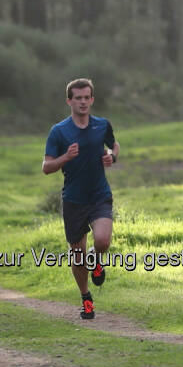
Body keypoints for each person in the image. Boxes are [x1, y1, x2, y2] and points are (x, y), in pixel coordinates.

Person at [42, 78, 119, 320]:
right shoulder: (59, 131)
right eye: (78, 98)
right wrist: (65, 157)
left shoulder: (102, 125)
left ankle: (96, 263)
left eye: (87, 97)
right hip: (74, 199)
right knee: (77, 253)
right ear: (69, 101)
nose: (83, 102)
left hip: (99, 195)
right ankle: (86, 297)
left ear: (92, 99)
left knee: (103, 241)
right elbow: (46, 167)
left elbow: (114, 146)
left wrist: (112, 157)